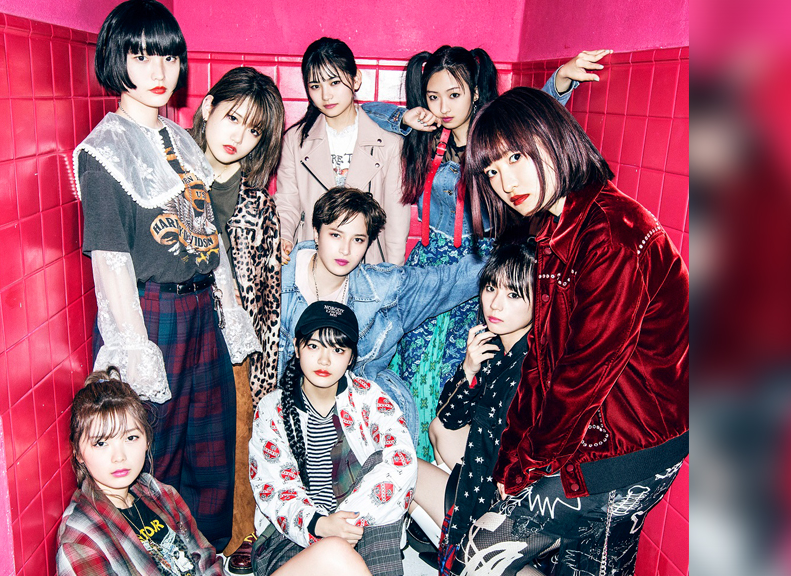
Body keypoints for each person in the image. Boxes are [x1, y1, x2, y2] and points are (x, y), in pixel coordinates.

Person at [449, 86, 689, 575]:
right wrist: (512, 456)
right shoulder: (554, 230)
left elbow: (581, 373)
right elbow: (542, 358)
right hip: (593, 436)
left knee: (483, 550)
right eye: (491, 171)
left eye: (516, 157)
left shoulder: (614, 233)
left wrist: (525, 466)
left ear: (552, 137)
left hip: (629, 445)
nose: (505, 182)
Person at [362, 46, 610, 461]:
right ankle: (404, 460)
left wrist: (561, 81)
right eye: (433, 96)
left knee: (455, 368)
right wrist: (407, 116)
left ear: (475, 92)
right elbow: (365, 111)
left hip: (477, 268)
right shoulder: (427, 138)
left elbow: (530, 123)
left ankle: (438, 464)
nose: (443, 107)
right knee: (411, 363)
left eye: (454, 95)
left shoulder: (492, 143)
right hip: (428, 265)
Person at [73, 0, 258, 551]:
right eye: (142, 57)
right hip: (153, 317)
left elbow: (209, 236)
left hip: (202, 311)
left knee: (211, 446)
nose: (160, 72)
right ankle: (159, 557)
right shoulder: (103, 150)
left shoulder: (181, 139)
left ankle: (206, 553)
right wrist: (137, 349)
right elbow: (111, 262)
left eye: (170, 58)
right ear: (116, 60)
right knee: (158, 447)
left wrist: (229, 312)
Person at [279, 186, 487, 444]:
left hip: (362, 421)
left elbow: (450, 281)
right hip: (290, 418)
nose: (345, 250)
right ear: (316, 233)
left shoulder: (384, 290)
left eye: (358, 239)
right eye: (335, 235)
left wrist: (516, 256)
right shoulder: (276, 281)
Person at [188, 66, 286, 557]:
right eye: (232, 118)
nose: (238, 137)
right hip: (181, 332)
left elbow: (268, 300)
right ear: (208, 107)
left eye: (253, 131)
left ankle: (239, 540)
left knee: (237, 444)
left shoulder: (259, 206)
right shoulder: (171, 183)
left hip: (235, 346)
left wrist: (264, 374)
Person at [402, 231, 538, 575]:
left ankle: (459, 548)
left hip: (507, 502)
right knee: (435, 432)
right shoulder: (495, 346)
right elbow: (447, 418)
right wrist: (468, 369)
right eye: (491, 288)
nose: (495, 304)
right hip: (485, 474)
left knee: (403, 470)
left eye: (513, 294)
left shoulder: (531, 365)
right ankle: (445, 535)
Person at [249, 301, 415, 576]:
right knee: (334, 553)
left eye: (338, 349)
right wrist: (321, 524)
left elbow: (403, 460)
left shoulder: (368, 397)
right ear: (296, 347)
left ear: (351, 357)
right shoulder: (272, 408)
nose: (324, 360)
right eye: (314, 346)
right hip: (290, 534)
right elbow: (274, 487)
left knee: (383, 461)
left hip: (359, 523)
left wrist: (344, 522)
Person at [57, 368, 223, 576]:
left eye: (131, 438)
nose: (119, 457)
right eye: (101, 443)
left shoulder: (161, 494)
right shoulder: (81, 540)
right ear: (79, 453)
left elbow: (206, 559)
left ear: (146, 440)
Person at [275, 37, 411, 266]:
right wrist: (283, 237)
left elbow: (396, 221)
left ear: (356, 79)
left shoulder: (389, 144)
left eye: (334, 82)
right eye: (315, 86)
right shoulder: (295, 141)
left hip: (366, 264)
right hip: (312, 262)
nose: (326, 95)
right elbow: (288, 201)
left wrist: (393, 272)